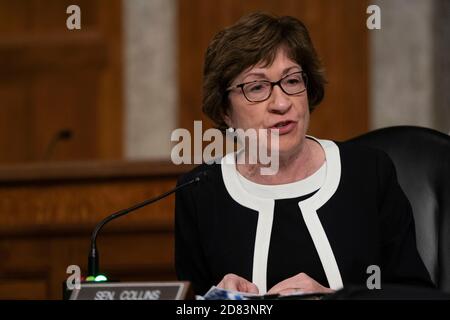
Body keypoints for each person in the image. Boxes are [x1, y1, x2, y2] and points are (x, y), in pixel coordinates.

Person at [174, 12, 434, 297]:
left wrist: (336, 300)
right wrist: (217, 303)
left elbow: (416, 294)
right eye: (257, 87)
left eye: (292, 81)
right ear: (225, 111)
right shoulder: (200, 191)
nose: (282, 102)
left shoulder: (369, 173)